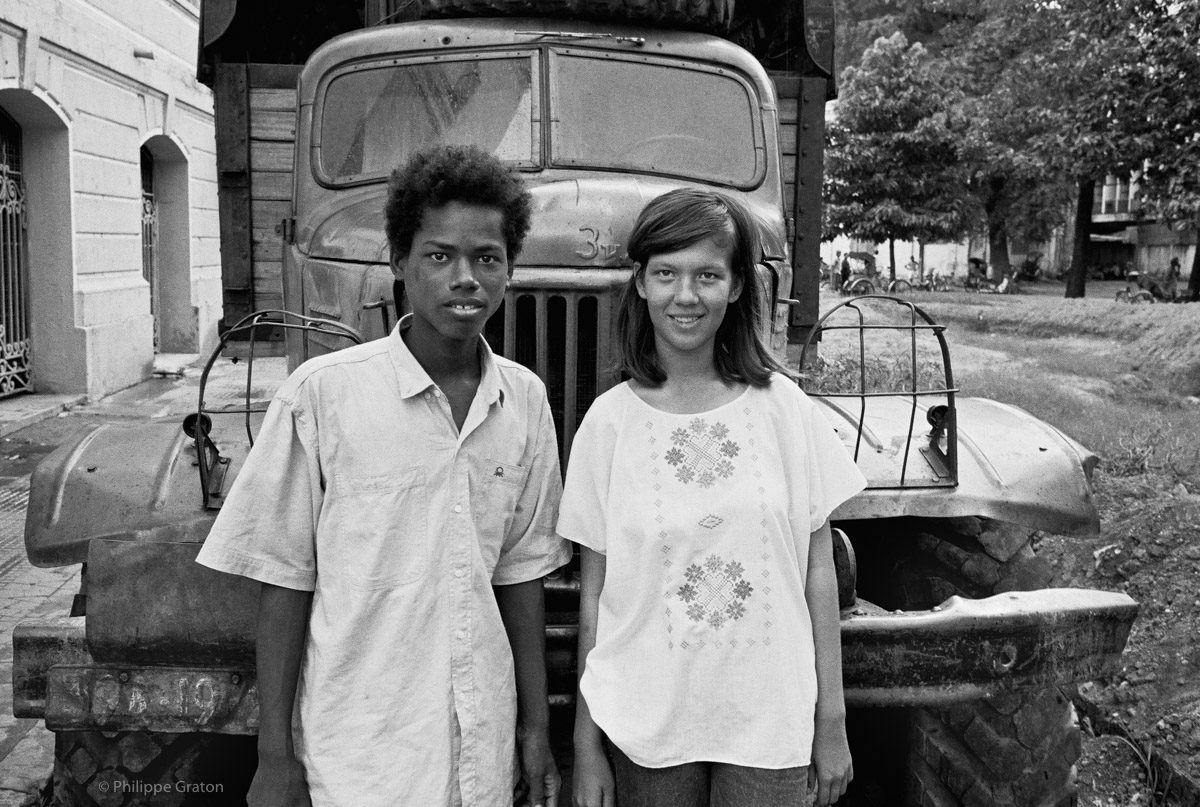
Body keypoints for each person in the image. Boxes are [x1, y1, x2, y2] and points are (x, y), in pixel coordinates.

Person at [196, 145, 570, 807]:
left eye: (487, 257)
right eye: (439, 255)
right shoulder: (322, 397)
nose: (465, 278)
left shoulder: (525, 402)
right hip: (359, 756)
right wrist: (274, 755)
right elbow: (285, 580)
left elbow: (520, 576)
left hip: (477, 753)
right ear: (399, 263)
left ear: (509, 269)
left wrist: (535, 727)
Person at [561, 188, 868, 807]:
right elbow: (596, 595)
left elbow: (818, 571)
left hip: (769, 721)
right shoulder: (608, 424)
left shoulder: (784, 410)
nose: (685, 294)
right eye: (666, 273)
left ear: (735, 288)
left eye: (708, 275)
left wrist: (830, 722)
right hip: (646, 723)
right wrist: (586, 743)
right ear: (642, 284)